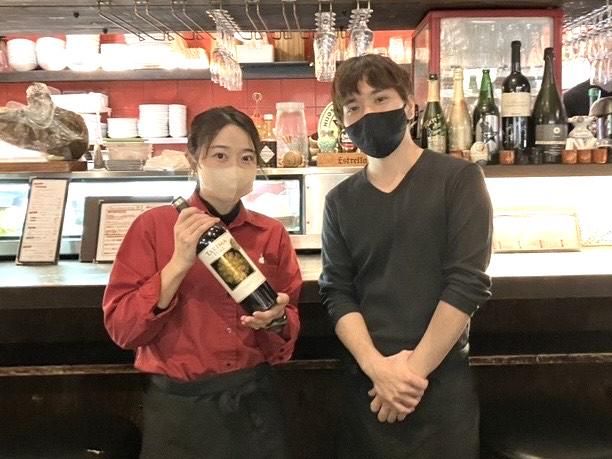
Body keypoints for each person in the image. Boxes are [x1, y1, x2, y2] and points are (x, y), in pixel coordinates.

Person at [319, 54, 493, 458]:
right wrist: (378, 370)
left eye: (380, 99)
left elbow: (466, 284)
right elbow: (336, 291)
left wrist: (409, 377)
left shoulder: (460, 180)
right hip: (368, 386)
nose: (368, 114)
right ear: (343, 122)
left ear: (410, 106)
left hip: (438, 382)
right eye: (353, 107)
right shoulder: (339, 201)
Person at [103, 106, 302, 459]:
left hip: (252, 404)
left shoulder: (270, 234)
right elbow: (123, 330)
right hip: (180, 411)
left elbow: (287, 331)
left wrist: (278, 321)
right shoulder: (154, 227)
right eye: (220, 155)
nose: (234, 168)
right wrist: (178, 263)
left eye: (246, 158)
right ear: (194, 159)